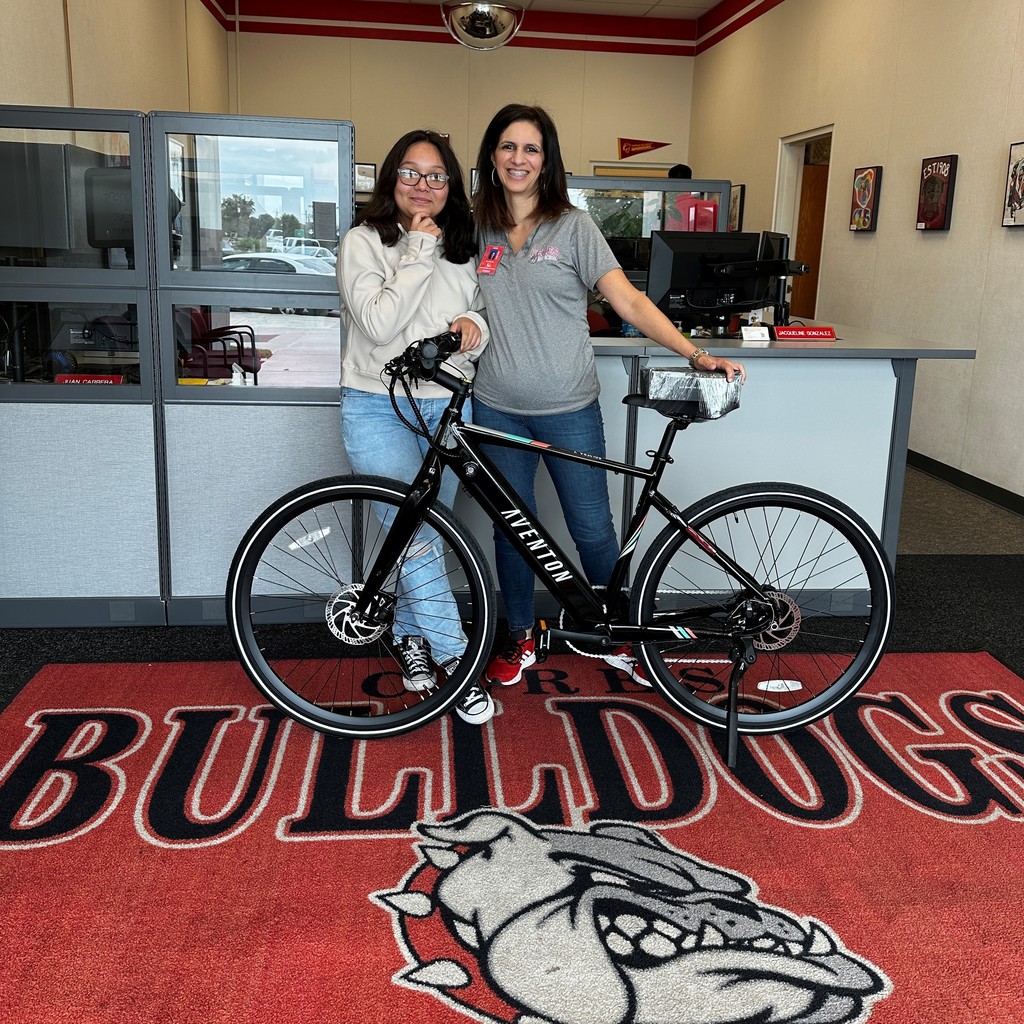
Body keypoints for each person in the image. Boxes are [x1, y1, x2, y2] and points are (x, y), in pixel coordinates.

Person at [471, 103, 746, 689]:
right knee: (511, 528)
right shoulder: (477, 227)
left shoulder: (574, 226)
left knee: (592, 527)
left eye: (531, 149)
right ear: (492, 158)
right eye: (509, 147)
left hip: (569, 406)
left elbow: (628, 303)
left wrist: (696, 354)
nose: (519, 159)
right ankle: (520, 635)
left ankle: (618, 635)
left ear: (547, 162)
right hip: (495, 405)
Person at [337, 128, 494, 725]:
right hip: (378, 405)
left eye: (435, 176)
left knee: (418, 540)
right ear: (391, 181)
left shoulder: (463, 244)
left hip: (447, 407)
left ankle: (409, 639)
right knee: (420, 536)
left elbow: (473, 315)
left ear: (451, 185)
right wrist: (416, 253)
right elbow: (378, 324)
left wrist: (473, 326)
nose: (422, 186)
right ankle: (458, 662)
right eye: (410, 173)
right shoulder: (362, 241)